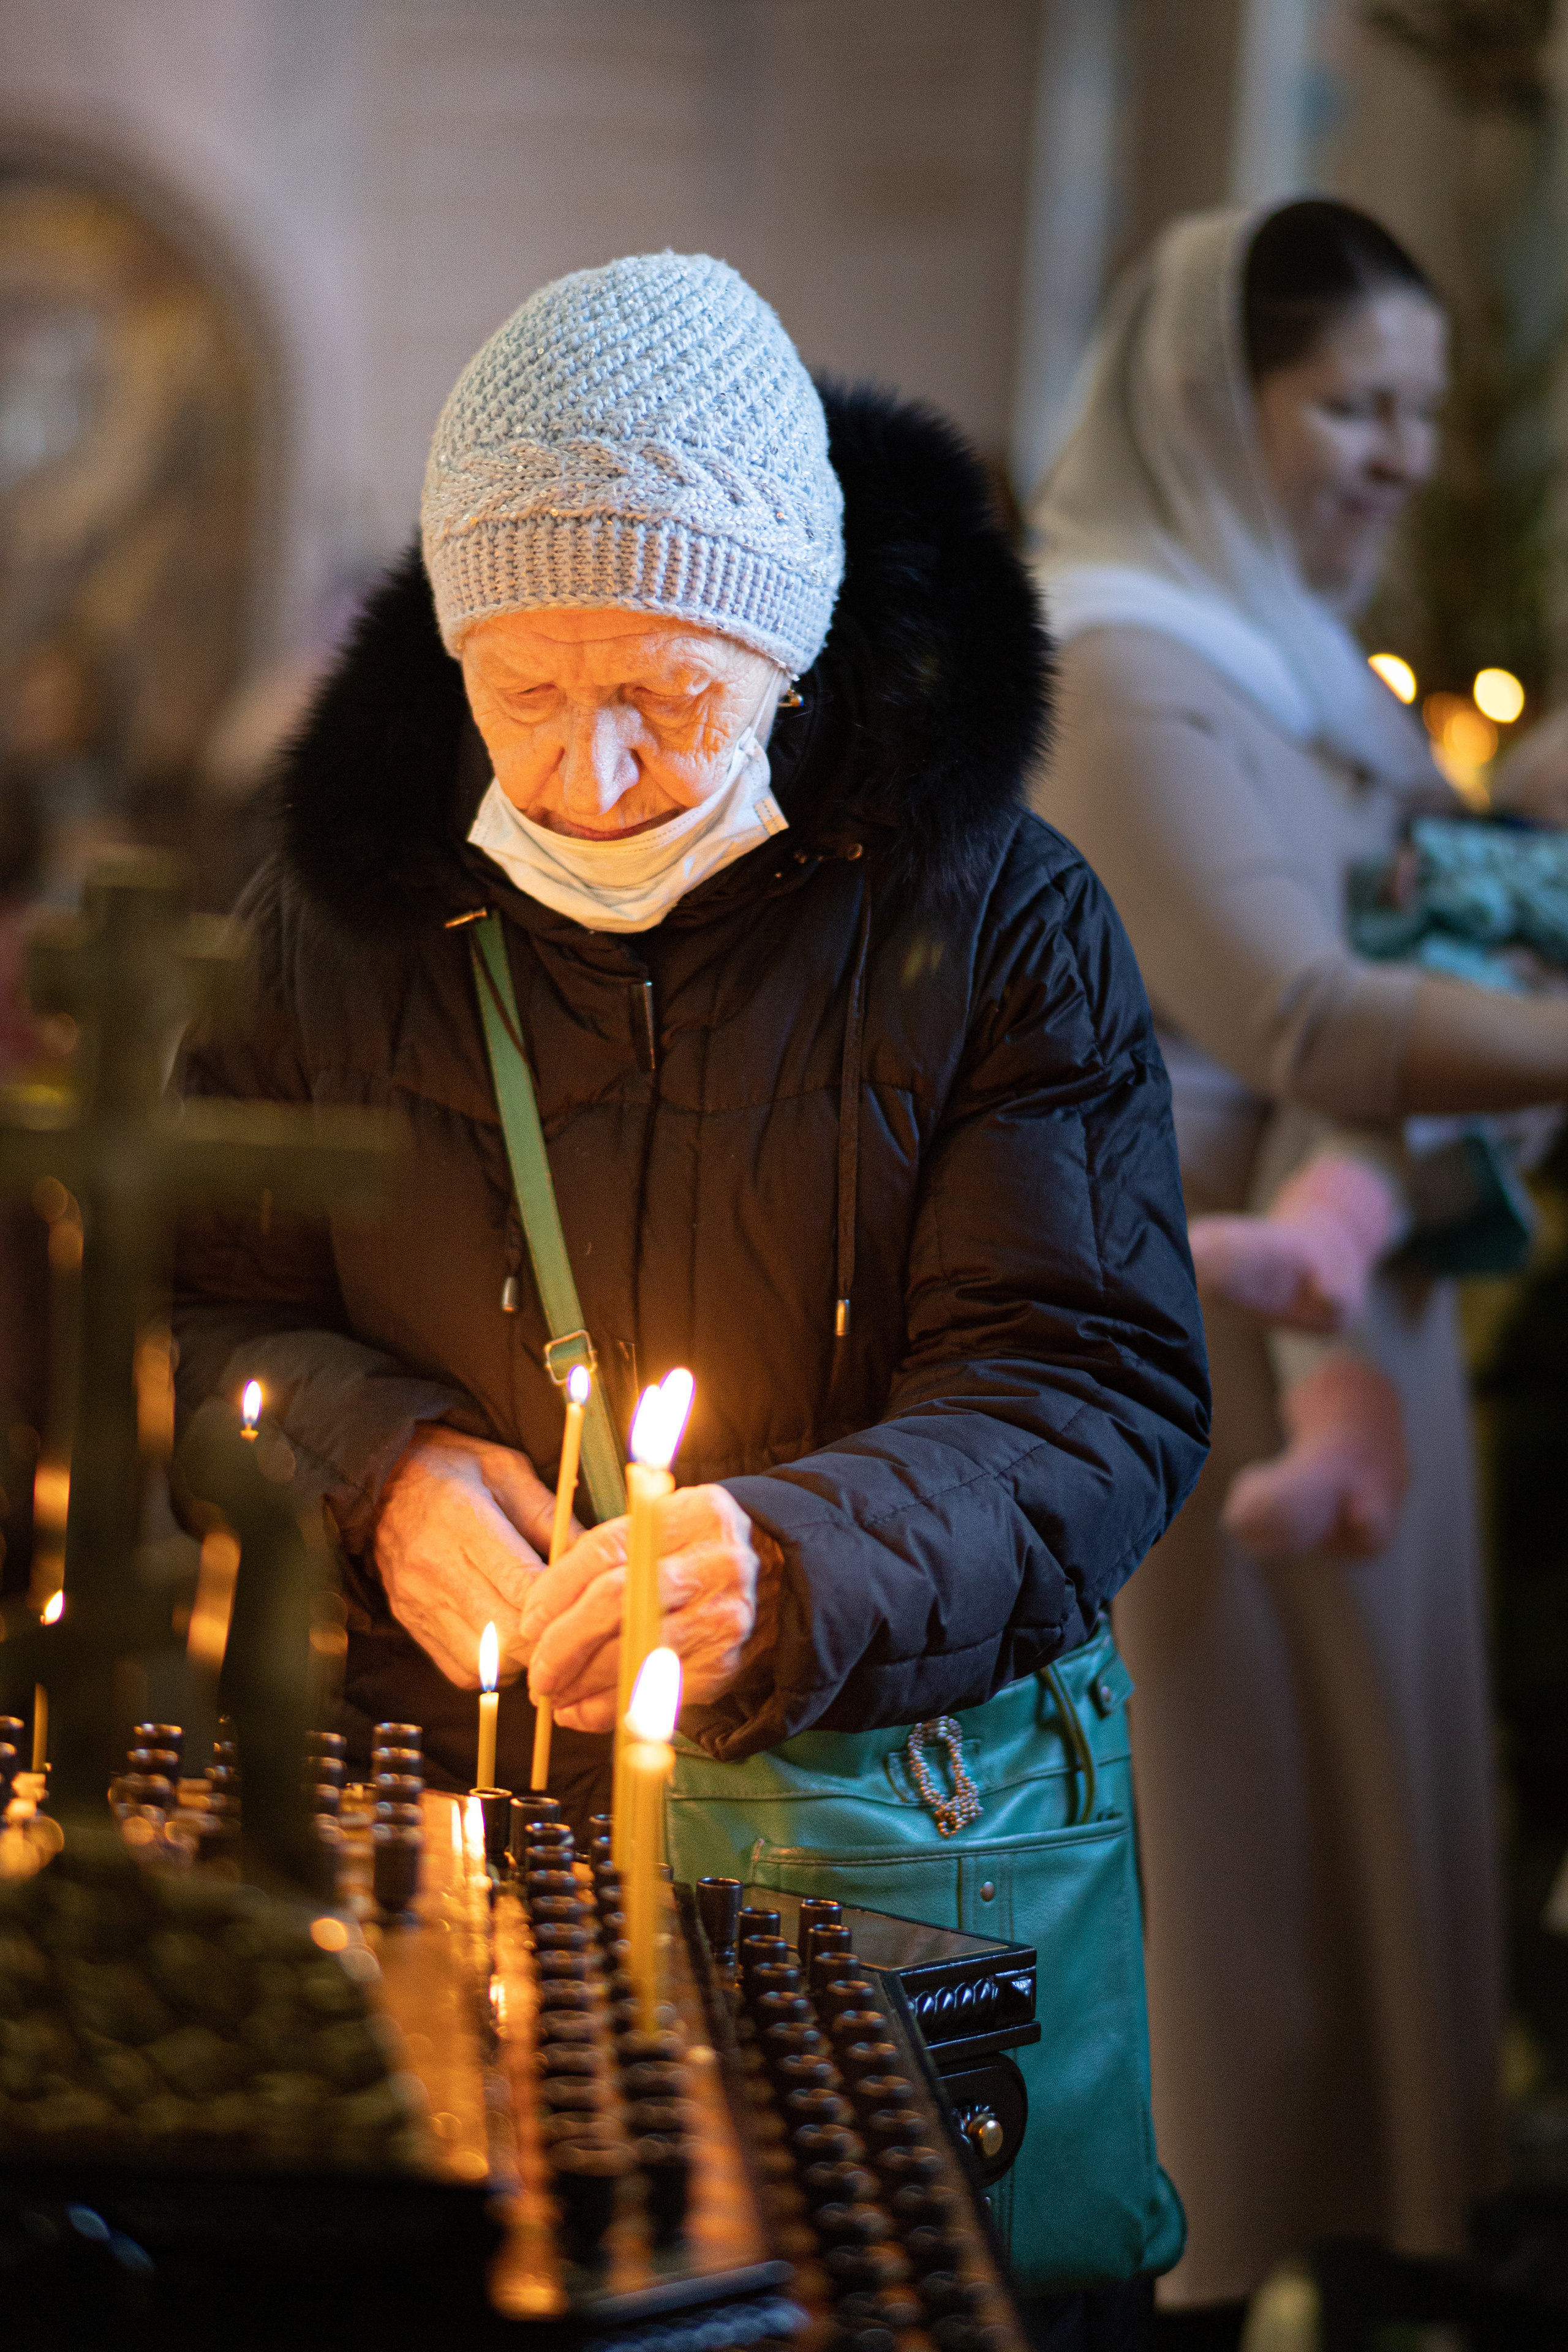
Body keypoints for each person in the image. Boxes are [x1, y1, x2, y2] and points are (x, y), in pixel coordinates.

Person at [171, 254, 1208, 1923]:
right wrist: (374, 1473)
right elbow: (197, 1312)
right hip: (444, 1823)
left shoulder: (1000, 924)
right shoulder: (333, 921)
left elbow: (1086, 1386)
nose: (587, 777)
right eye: (525, 696)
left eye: (666, 697)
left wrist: (797, 1565)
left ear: (784, 652)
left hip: (864, 1851)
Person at [1029, 197, 1568, 2336]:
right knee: (1242, 1862)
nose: (1403, 456)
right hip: (1218, 1340)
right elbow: (1315, 1018)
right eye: (1353, 403)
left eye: (1425, 412)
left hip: (1357, 1319)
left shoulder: (1294, 659)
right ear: (1205, 404)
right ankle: (1202, 2264)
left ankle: (1327, 2257)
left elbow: (1455, 924)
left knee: (1365, 1826)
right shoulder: (1127, 656)